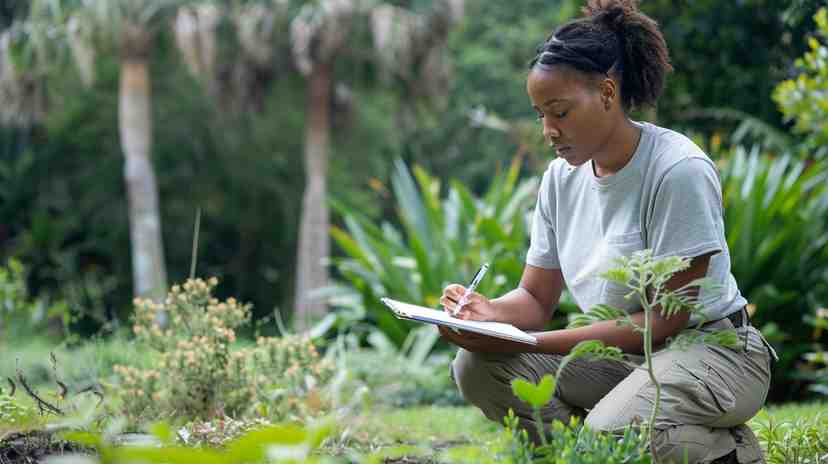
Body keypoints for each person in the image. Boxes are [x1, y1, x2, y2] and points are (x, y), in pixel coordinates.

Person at [437, 1, 777, 463]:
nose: (548, 131)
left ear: (607, 93)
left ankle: (727, 452)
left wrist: (530, 341)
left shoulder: (677, 170)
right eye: (540, 115)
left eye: (559, 112)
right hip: (621, 358)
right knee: (477, 367)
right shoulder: (560, 179)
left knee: (610, 433)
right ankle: (588, 454)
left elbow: (665, 320)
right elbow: (536, 301)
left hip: (715, 352)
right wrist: (486, 314)